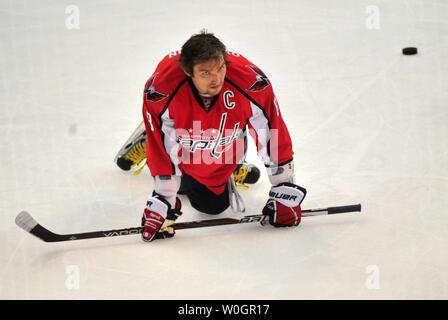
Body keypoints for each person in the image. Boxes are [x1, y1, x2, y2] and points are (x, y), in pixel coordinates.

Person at [115, 30, 307, 242]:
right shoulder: (161, 90)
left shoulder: (250, 81)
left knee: (213, 206)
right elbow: (161, 146)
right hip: (186, 131)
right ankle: (151, 137)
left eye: (220, 68)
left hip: (224, 132)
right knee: (192, 177)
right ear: (188, 71)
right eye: (206, 73)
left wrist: (283, 185)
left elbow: (271, 131)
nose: (217, 78)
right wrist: (165, 198)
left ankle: (228, 164)